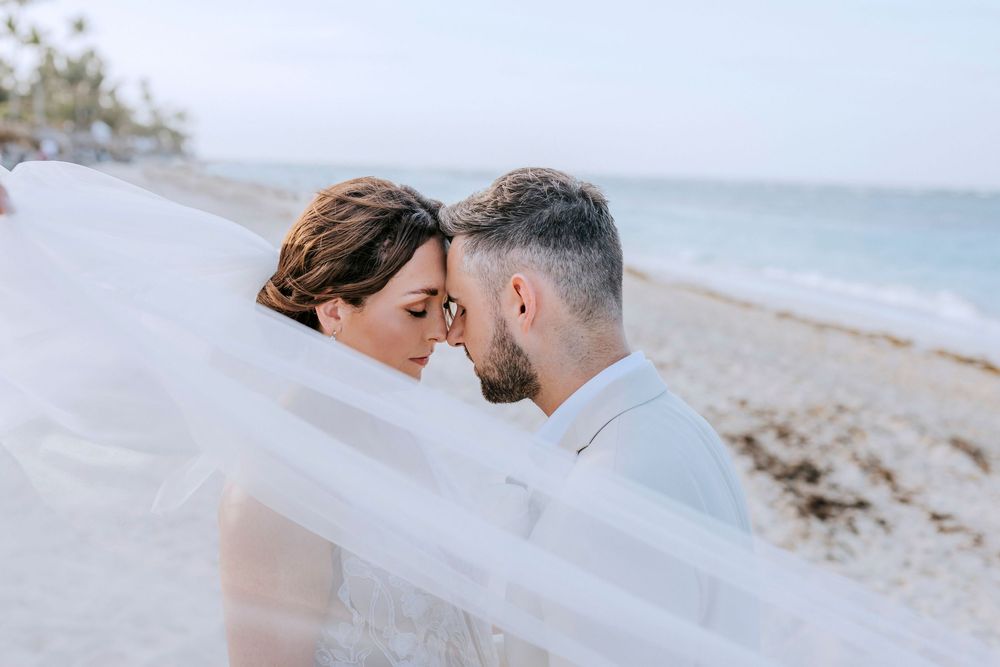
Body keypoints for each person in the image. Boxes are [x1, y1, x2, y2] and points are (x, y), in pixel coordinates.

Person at [439, 167, 757, 664]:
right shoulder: (677, 426)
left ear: (521, 302)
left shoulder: (608, 492)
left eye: (460, 306)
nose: (453, 334)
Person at [218, 177, 496, 666]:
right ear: (333, 310)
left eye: (445, 306)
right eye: (417, 309)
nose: (441, 332)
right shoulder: (274, 484)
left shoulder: (400, 433)